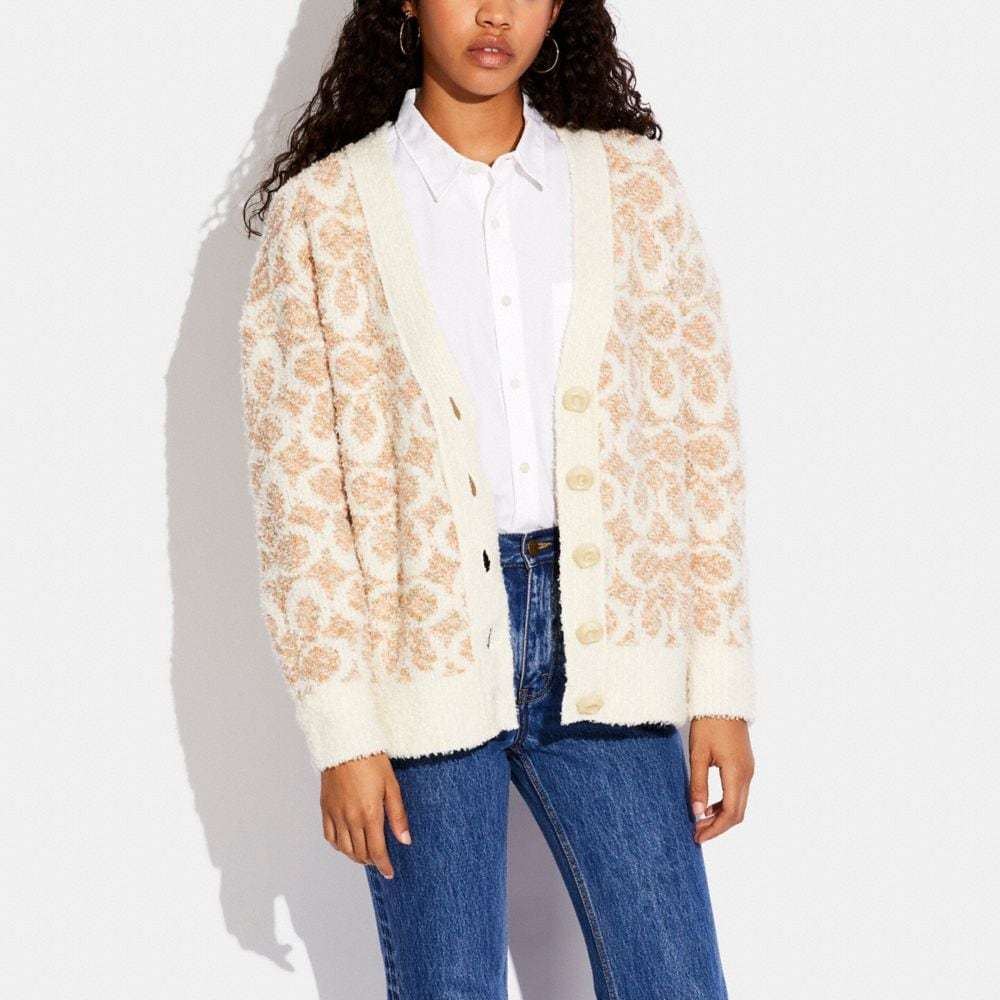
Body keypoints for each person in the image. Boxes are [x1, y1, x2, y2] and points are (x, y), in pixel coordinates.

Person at [239, 2, 757, 997]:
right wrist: (344, 732)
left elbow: (701, 438)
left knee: (674, 980)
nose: (493, 13)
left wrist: (719, 688)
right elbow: (299, 498)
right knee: (449, 986)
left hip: (610, 640)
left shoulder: (631, 185)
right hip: (420, 645)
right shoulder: (325, 214)